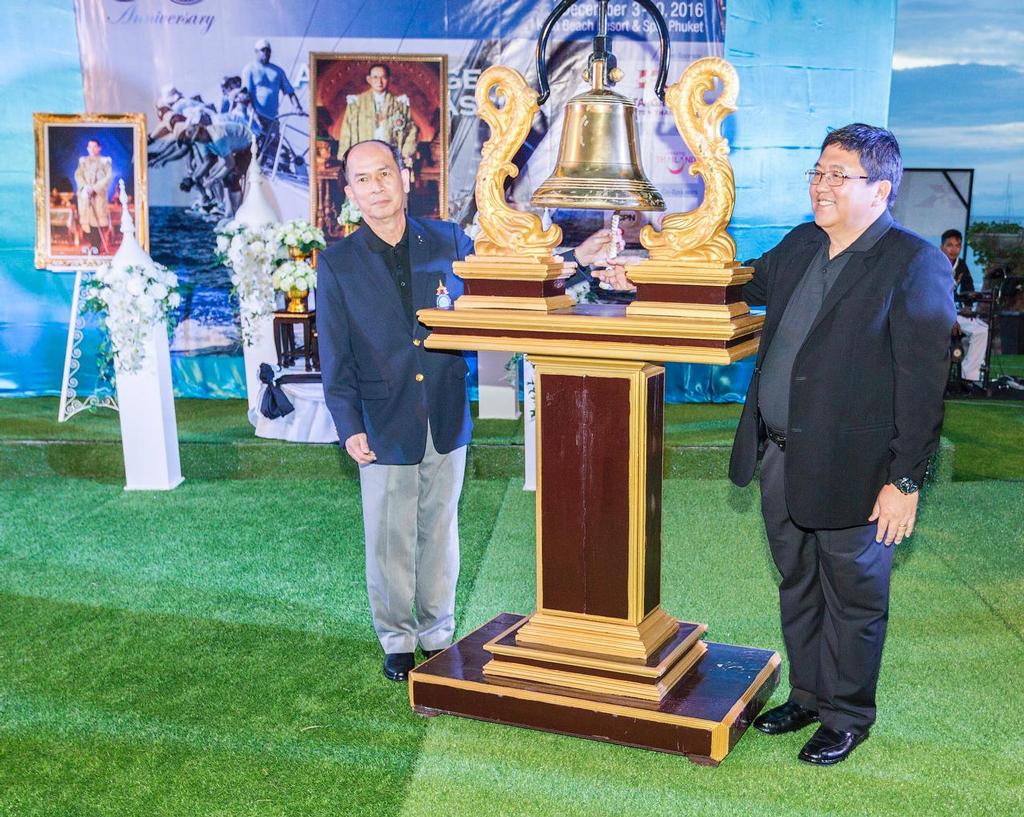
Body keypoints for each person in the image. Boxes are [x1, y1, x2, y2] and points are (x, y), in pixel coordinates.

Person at [317, 139, 623, 683]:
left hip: (445, 413)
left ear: (406, 177)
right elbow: (334, 355)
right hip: (382, 422)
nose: (376, 188)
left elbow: (508, 284)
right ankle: (397, 638)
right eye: (362, 180)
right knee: (389, 538)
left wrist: (576, 258)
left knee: (439, 532)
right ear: (350, 194)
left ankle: (437, 631)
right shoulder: (337, 263)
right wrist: (349, 425)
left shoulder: (449, 239)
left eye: (384, 174)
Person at [729, 124, 954, 765]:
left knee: (853, 598)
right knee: (796, 583)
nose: (821, 185)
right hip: (779, 456)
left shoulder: (913, 264)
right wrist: (639, 269)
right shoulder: (803, 244)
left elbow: (922, 387)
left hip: (859, 472)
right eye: (818, 172)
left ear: (880, 189)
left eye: (838, 174)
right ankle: (808, 695)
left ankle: (847, 715)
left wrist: (905, 481)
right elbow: (740, 285)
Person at [336, 64, 418, 173]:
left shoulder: (400, 103)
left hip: (390, 158)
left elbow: (412, 130)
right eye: (375, 77)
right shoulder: (356, 103)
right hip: (364, 158)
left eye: (383, 77)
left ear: (388, 79)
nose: (379, 81)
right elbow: (346, 131)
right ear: (369, 79)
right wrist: (345, 157)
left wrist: (404, 154)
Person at [941, 228, 989, 386]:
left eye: (957, 245)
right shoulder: (934, 262)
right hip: (935, 314)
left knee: (982, 329)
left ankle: (969, 376)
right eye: (950, 245)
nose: (954, 249)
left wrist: (968, 307)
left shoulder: (961, 265)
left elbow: (969, 289)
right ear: (942, 246)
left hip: (954, 314)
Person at [242, 39, 302, 163]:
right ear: (256, 52)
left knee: (274, 143)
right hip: (255, 116)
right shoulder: (249, 69)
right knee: (256, 144)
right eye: (263, 50)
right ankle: (253, 167)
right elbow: (246, 96)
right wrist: (255, 117)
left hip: (273, 117)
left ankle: (272, 169)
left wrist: (297, 107)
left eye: (268, 51)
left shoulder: (278, 71)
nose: (266, 53)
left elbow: (290, 92)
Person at [74, 138, 113, 253]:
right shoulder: (83, 162)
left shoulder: (104, 161)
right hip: (86, 194)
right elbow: (78, 175)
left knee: (98, 219)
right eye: (90, 147)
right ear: (87, 148)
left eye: (94, 146)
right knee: (86, 219)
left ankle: (97, 245)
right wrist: (85, 187)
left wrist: (95, 188)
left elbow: (108, 177)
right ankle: (90, 244)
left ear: (99, 148)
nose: (92, 149)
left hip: (98, 196)